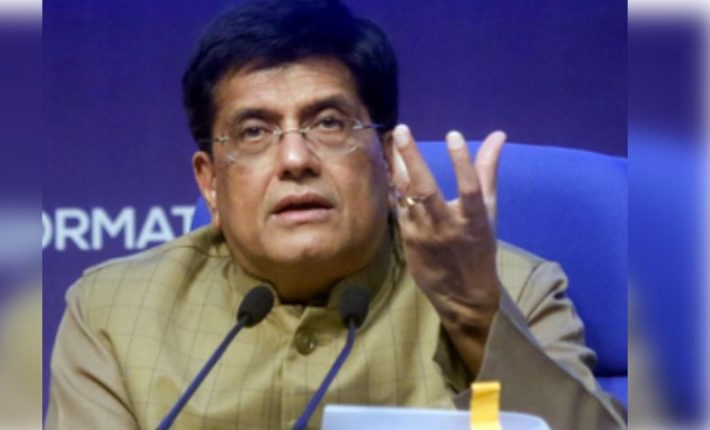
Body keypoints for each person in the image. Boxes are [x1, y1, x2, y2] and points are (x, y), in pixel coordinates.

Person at [45, 0, 627, 428]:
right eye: (254, 132)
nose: (295, 159)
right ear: (210, 183)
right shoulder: (112, 315)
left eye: (328, 123)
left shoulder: (513, 289)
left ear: (387, 159)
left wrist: (474, 314)